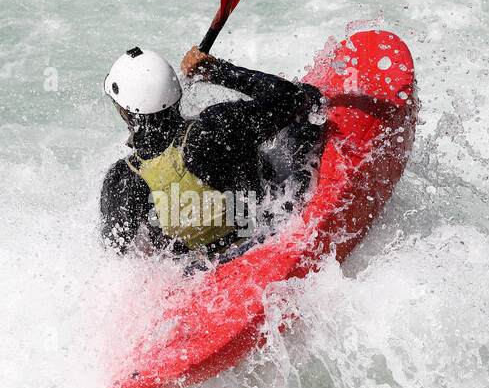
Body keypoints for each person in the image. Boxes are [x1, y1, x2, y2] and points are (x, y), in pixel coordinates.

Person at [99, 45, 322, 258]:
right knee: (313, 98)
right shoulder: (217, 127)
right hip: (265, 234)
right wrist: (217, 70)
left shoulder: (121, 180)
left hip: (202, 275)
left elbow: (117, 257)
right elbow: (294, 97)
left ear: (126, 113)